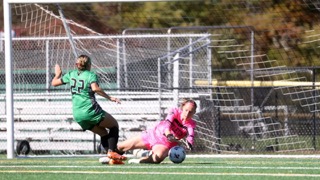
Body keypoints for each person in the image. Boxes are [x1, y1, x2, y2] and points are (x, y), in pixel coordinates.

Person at [51, 54, 127, 165]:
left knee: (103, 133)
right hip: (90, 110)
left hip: (78, 114)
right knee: (114, 125)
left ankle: (112, 158)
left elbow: (54, 83)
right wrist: (110, 98)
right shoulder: (91, 75)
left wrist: (57, 74)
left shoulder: (71, 74)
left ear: (76, 65)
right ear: (89, 65)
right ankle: (112, 153)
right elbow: (95, 88)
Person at [117, 99, 197, 164]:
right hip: (153, 135)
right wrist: (168, 134)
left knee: (157, 158)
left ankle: (140, 159)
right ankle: (109, 157)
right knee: (120, 147)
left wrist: (189, 143)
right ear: (182, 107)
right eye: (186, 110)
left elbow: (191, 135)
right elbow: (167, 123)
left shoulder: (191, 124)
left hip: (164, 144)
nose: (187, 113)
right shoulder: (174, 111)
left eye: (190, 112)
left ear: (194, 112)